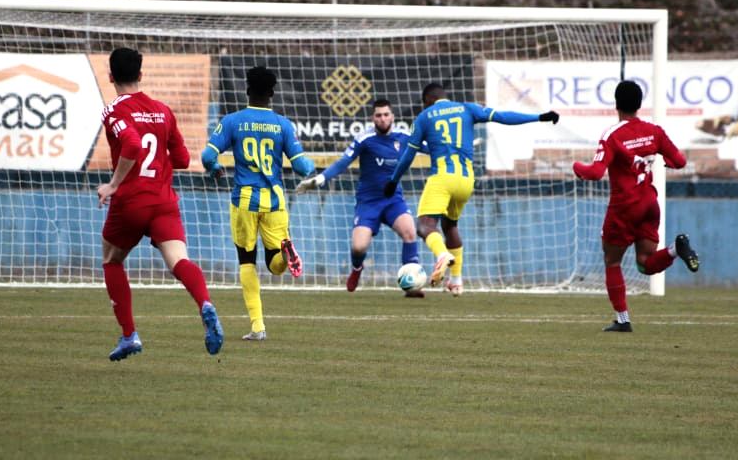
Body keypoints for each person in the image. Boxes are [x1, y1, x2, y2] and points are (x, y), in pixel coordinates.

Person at [97, 47, 223, 361]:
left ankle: (129, 335)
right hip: (163, 200)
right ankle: (205, 303)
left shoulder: (113, 111)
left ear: (110, 76)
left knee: (112, 259)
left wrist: (114, 184)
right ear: (140, 75)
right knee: (179, 260)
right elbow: (182, 159)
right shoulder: (163, 111)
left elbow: (132, 144)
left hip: (131, 201)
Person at [384, 82, 560, 294]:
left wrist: (393, 181)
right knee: (450, 226)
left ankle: (442, 255)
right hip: (466, 180)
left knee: (425, 226)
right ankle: (456, 281)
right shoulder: (467, 108)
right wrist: (539, 117)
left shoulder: (425, 116)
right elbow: (502, 117)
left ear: (427, 101)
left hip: (443, 177)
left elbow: (408, 155)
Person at [573, 80, 700, 333]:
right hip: (649, 204)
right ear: (639, 104)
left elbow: (595, 173)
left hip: (624, 208)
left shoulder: (612, 135)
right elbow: (680, 161)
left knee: (612, 261)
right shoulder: (654, 131)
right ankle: (676, 249)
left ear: (616, 104)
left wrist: (577, 167)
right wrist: (665, 162)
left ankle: (622, 320)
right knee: (645, 263)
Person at [201, 66, 315, 341]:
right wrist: (313, 169)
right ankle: (285, 254)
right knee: (274, 264)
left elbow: (207, 156)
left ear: (247, 90)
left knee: (247, 260)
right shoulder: (283, 124)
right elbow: (302, 167)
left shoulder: (232, 121)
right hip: (275, 200)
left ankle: (258, 326)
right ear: (272, 93)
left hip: (244, 200)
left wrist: (215, 168)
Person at [296, 99, 422, 296]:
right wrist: (320, 179)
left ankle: (412, 285)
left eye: (386, 114)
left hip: (393, 199)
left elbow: (431, 147)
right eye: (378, 115)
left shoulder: (404, 137)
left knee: (410, 232)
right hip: (368, 202)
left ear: (392, 116)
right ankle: (357, 269)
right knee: (358, 247)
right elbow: (342, 162)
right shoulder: (365, 139)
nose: (382, 119)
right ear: (372, 118)